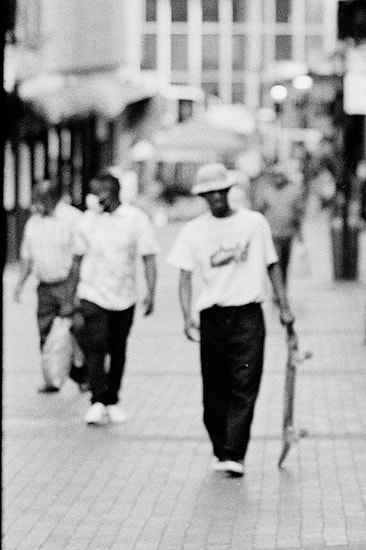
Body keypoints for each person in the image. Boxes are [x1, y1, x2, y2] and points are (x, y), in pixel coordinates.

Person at [167, 162, 295, 478]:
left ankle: (234, 452)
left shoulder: (254, 223)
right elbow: (184, 277)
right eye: (209, 194)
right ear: (202, 197)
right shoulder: (193, 231)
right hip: (213, 315)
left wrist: (284, 305)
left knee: (244, 383)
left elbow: (272, 264)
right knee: (214, 387)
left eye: (220, 192)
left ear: (229, 191)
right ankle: (220, 447)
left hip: (249, 313)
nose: (216, 199)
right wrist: (186, 316)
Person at [68, 171, 159, 425]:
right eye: (93, 192)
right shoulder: (86, 221)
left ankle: (112, 399)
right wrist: (71, 296)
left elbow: (148, 256)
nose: (94, 197)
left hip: (124, 295)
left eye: (99, 192)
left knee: (117, 348)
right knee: (96, 345)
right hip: (92, 293)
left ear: (114, 192)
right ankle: (97, 400)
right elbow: (76, 261)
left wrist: (151, 292)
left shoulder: (136, 219)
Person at [12, 179, 87, 392]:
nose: (36, 204)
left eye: (40, 199)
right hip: (44, 286)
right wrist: (20, 284)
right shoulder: (34, 222)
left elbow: (78, 259)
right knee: (45, 332)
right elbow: (27, 256)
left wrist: (73, 293)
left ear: (52, 198)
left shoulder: (73, 218)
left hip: (67, 284)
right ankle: (52, 376)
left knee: (73, 331)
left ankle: (82, 376)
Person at [255, 164, 305, 287]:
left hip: (287, 233)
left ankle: (283, 287)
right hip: (272, 234)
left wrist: (299, 233)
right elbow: (259, 210)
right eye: (275, 176)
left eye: (280, 176)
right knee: (275, 262)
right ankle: (277, 289)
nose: (278, 179)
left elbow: (298, 213)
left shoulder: (294, 191)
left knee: (285, 263)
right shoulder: (267, 192)